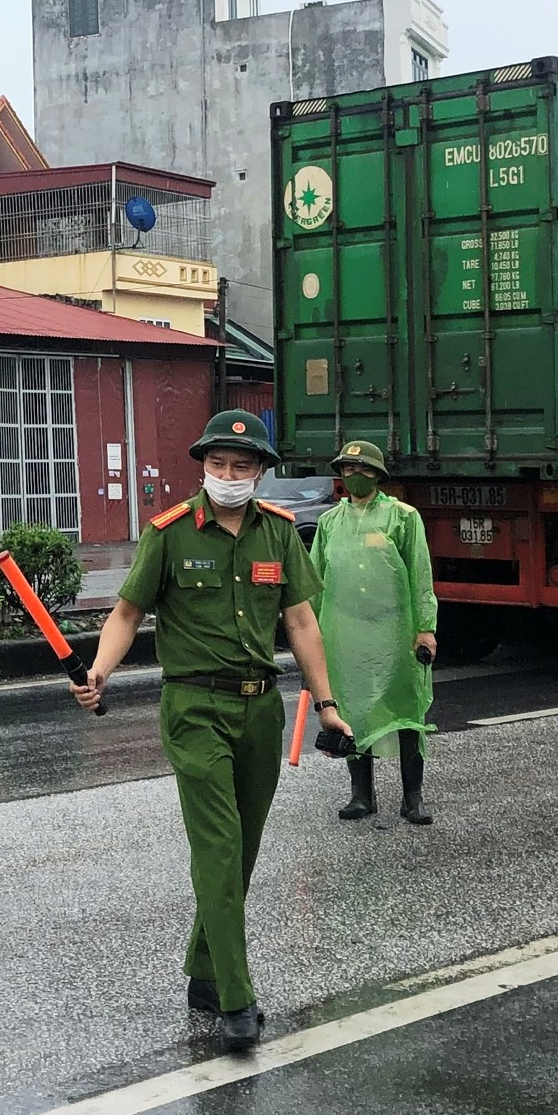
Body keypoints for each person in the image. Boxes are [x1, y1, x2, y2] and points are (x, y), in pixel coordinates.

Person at [71, 410, 354, 1052]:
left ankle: (203, 969)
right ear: (202, 466)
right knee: (219, 848)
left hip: (261, 711)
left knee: (243, 850)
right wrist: (99, 671)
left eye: (241, 465)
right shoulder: (169, 532)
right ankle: (235, 997)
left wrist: (327, 704)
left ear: (260, 471)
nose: (227, 474)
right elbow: (127, 613)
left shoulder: (279, 532)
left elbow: (301, 623)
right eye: (217, 464)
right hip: (194, 706)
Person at [310, 440, 439, 825]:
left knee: (406, 710)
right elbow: (314, 581)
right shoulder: (329, 522)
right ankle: (361, 796)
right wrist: (310, 639)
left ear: (378, 475)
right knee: (353, 710)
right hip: (345, 634)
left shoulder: (403, 517)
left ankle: (412, 798)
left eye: (364, 469)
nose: (356, 475)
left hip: (396, 632)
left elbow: (420, 575)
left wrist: (425, 628)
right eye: (349, 469)